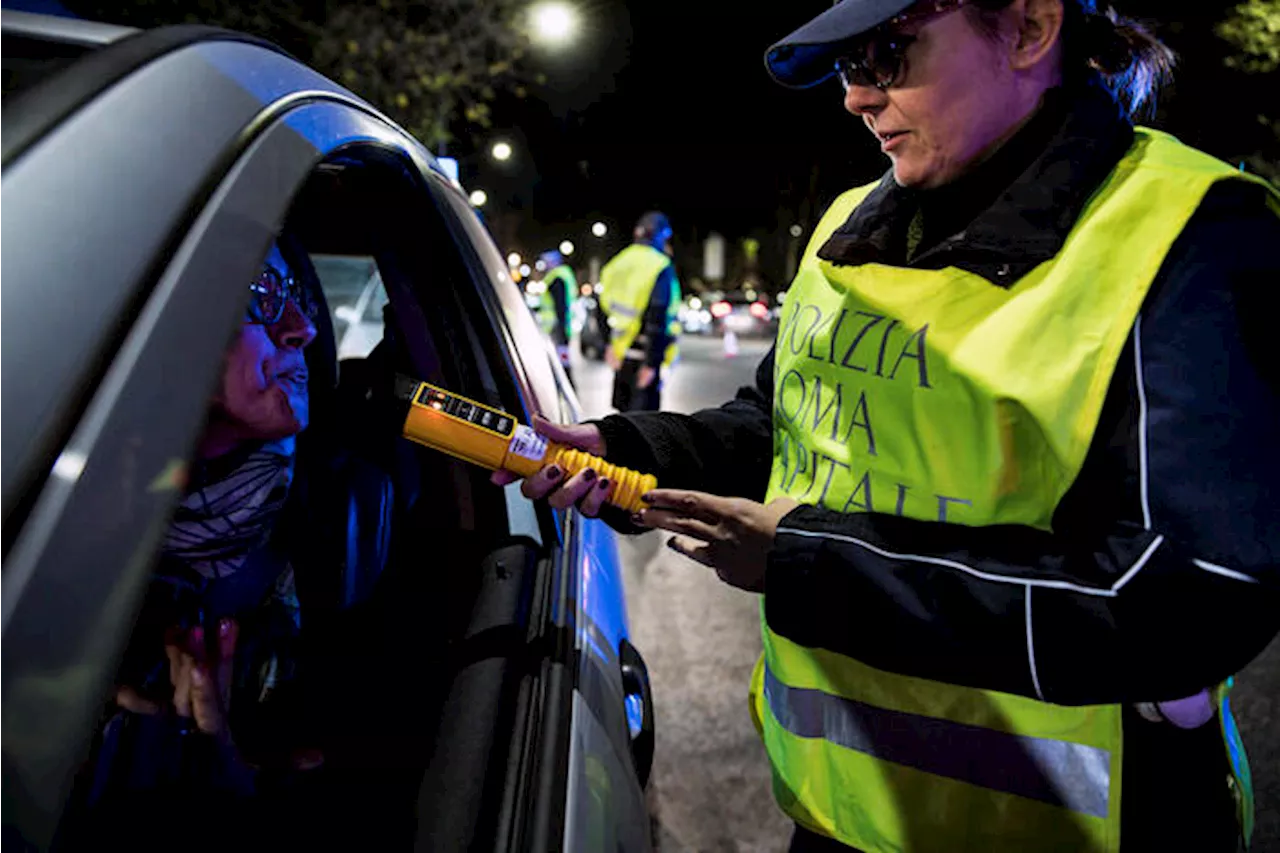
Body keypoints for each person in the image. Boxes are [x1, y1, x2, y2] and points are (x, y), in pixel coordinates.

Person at [494, 1, 1280, 851]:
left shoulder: (1188, 234)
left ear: (1027, 27)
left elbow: (1186, 599)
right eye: (846, 66)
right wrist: (629, 450)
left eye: (887, 55)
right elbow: (782, 424)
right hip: (840, 820)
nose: (855, 98)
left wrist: (809, 565)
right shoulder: (847, 226)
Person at [70, 238, 324, 848]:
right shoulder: (62, 537)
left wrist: (222, 755)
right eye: (261, 296)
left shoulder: (324, 529)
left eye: (295, 296)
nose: (304, 329)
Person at [599, 211, 681, 412]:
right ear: (662, 236)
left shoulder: (617, 262)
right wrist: (652, 363)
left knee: (622, 420)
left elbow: (600, 308)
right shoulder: (659, 265)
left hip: (622, 355)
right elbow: (657, 316)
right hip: (644, 357)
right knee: (644, 426)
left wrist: (606, 344)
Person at [535, 249, 578, 385]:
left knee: (560, 361)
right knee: (562, 359)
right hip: (561, 325)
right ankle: (566, 385)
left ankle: (565, 386)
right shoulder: (564, 275)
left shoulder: (556, 278)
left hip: (556, 327)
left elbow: (560, 305)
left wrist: (562, 327)